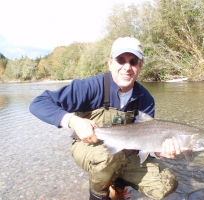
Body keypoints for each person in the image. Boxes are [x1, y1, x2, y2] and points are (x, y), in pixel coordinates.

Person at [29, 37, 180, 200]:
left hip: (127, 153)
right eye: (121, 60)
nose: (127, 67)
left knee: (167, 184)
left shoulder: (146, 99)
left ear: (140, 66)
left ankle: (118, 183)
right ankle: (98, 194)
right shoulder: (90, 87)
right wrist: (74, 121)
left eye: (133, 61)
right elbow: (39, 103)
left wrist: (159, 151)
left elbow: (145, 144)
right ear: (110, 63)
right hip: (90, 147)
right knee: (105, 158)